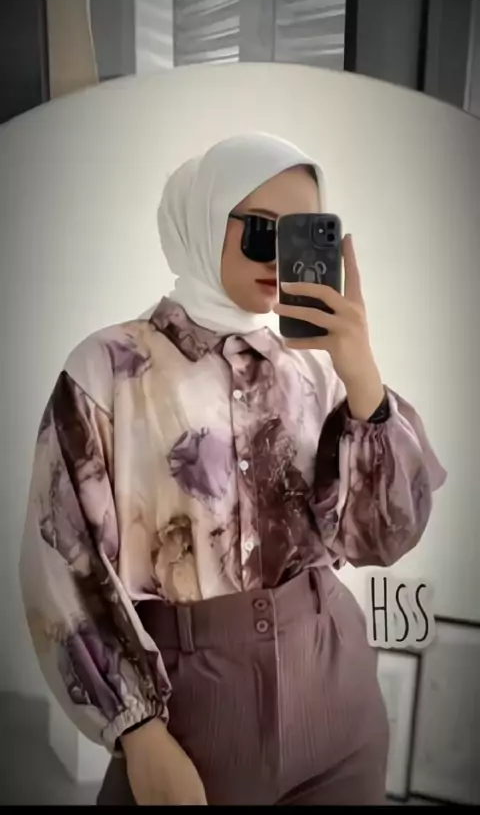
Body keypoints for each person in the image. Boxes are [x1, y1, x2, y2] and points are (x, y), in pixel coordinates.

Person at [20, 133, 447, 806]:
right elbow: (62, 569)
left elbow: (384, 537)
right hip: (187, 710)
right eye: (260, 232)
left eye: (301, 234)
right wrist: (138, 730)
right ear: (204, 218)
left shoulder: (315, 372)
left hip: (336, 692)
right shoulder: (106, 370)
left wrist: (363, 375)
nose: (280, 259)